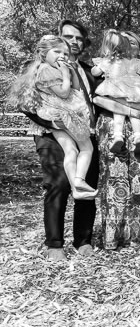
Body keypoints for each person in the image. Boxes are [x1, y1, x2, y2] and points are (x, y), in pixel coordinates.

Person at [18, 21, 99, 260]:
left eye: (79, 38)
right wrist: (53, 123)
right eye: (68, 37)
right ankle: (54, 244)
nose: (74, 42)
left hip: (85, 130)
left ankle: (83, 241)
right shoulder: (39, 67)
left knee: (85, 183)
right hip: (50, 131)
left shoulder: (89, 70)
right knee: (58, 184)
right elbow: (26, 103)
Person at [8, 35, 97, 202]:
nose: (62, 56)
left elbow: (77, 87)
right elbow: (64, 93)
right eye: (57, 52)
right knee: (87, 148)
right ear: (43, 53)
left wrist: (72, 71)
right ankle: (79, 180)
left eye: (65, 53)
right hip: (62, 114)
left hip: (59, 116)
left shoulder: (53, 69)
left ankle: (76, 188)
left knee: (72, 150)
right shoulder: (46, 70)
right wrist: (65, 75)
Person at [90, 29, 140, 156]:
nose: (128, 46)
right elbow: (96, 98)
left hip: (117, 91)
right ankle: (137, 136)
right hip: (130, 95)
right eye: (126, 42)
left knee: (119, 112)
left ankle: (120, 136)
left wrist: (99, 65)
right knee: (131, 115)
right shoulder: (127, 63)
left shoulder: (111, 62)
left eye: (132, 43)